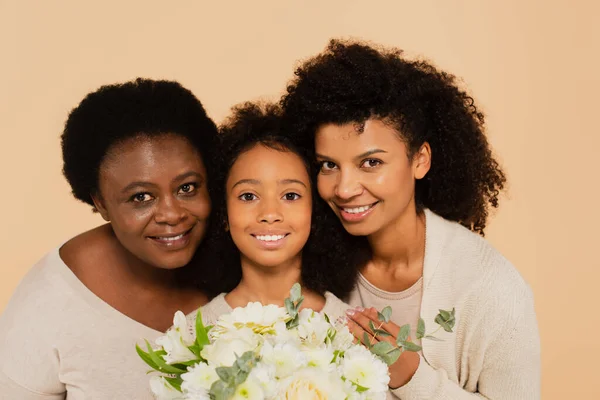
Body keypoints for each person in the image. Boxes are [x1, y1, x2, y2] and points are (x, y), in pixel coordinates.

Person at [280, 39, 541, 399]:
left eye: (371, 163)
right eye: (328, 165)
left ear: (420, 160)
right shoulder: (309, 263)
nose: (344, 188)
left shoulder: (492, 289)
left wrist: (411, 375)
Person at [0, 78, 218, 399]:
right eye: (141, 197)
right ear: (100, 203)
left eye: (187, 187)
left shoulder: (251, 252)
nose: (171, 214)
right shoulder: (49, 305)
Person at [191, 102, 363, 326]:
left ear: (314, 211)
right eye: (248, 196)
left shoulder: (353, 330)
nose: (270, 214)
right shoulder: (190, 335)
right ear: (224, 213)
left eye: (290, 196)